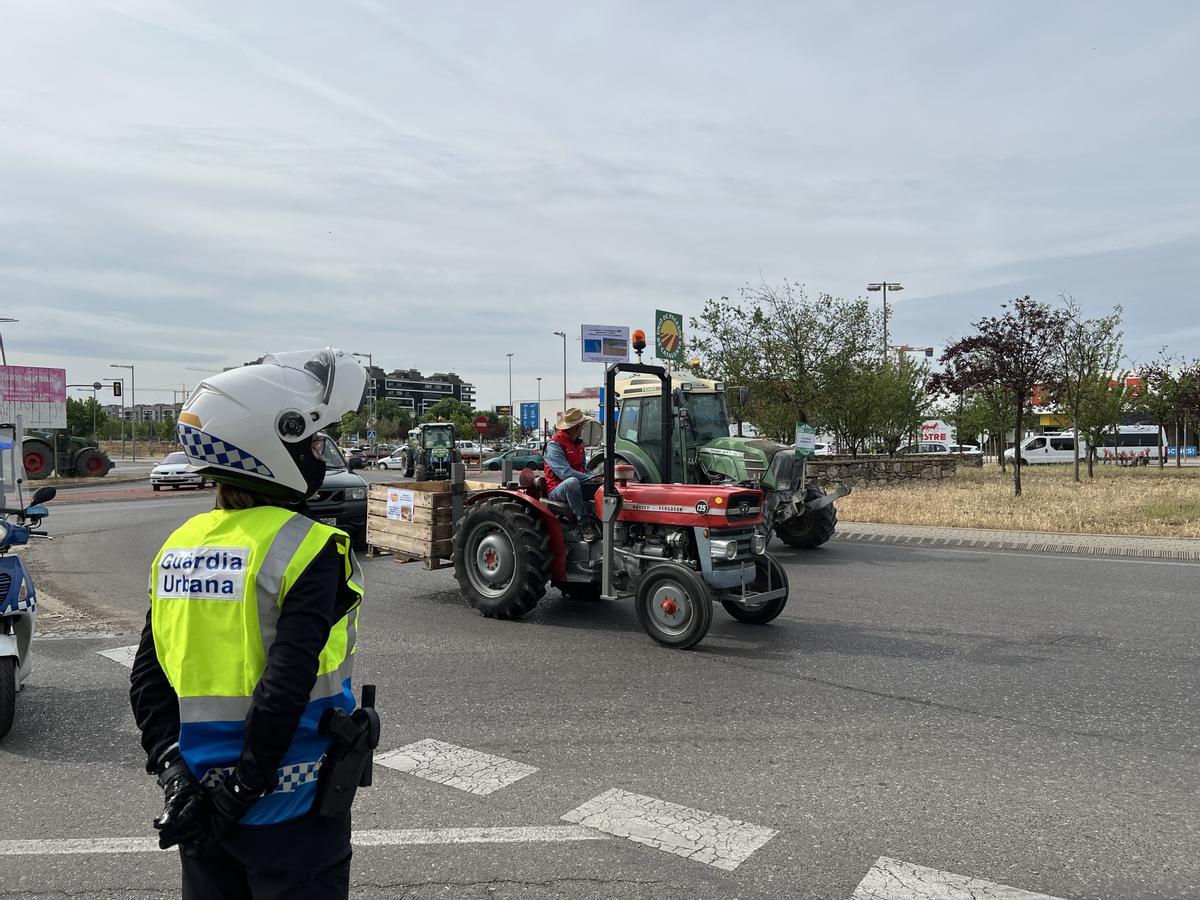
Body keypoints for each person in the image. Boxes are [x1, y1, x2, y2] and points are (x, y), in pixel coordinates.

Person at [130, 348, 369, 899]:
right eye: (309, 441)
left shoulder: (180, 544)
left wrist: (174, 776)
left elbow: (147, 680)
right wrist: (243, 788)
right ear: (271, 443)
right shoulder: (307, 546)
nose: (317, 454)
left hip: (195, 802)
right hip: (292, 808)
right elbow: (283, 686)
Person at [543, 407, 600, 541]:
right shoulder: (554, 445)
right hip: (557, 489)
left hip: (579, 484)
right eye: (582, 426)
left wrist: (598, 477)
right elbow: (565, 473)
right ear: (575, 428)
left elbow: (584, 468)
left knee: (606, 486)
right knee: (571, 483)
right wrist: (590, 478)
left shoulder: (578, 445)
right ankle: (584, 525)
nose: (583, 428)